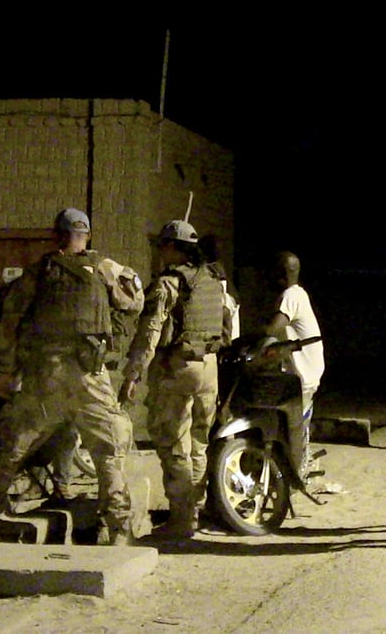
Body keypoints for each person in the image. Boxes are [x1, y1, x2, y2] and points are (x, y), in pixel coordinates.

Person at [0, 207, 145, 546]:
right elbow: (134, 302)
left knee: (15, 446)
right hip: (90, 376)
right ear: (87, 235)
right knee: (107, 452)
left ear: (56, 235)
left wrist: (6, 369)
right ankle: (120, 531)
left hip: (45, 375)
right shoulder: (105, 268)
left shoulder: (37, 273)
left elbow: (9, 324)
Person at [121, 219, 228, 541]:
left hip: (179, 367)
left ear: (171, 247)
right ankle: (194, 512)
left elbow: (151, 329)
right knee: (198, 443)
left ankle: (182, 519)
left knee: (171, 442)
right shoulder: (212, 278)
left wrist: (134, 372)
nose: (157, 250)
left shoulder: (170, 282)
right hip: (209, 366)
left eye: (160, 245)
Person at [261, 251, 325, 470]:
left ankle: (296, 474)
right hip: (306, 372)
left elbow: (273, 328)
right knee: (296, 429)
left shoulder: (291, 296)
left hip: (303, 376)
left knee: (293, 431)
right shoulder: (299, 294)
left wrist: (254, 336)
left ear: (280, 275)